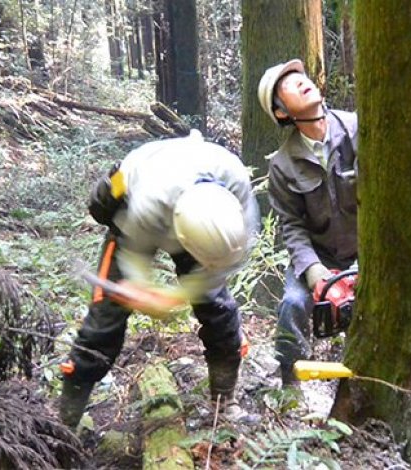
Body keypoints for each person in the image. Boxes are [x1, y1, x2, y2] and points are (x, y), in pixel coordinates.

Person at [58, 130, 260, 429]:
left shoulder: (238, 193)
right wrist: (141, 290)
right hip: (135, 193)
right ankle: (66, 419)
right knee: (106, 318)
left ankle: (224, 404)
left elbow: (224, 264)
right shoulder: (148, 203)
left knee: (219, 312)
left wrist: (180, 295)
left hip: (192, 197)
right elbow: (132, 257)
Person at [257, 59, 358, 387]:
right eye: (288, 85)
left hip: (367, 250)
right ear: (282, 112)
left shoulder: (357, 129)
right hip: (318, 257)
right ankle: (290, 385)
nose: (302, 82)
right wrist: (318, 276)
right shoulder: (283, 166)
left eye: (301, 77)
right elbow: (292, 227)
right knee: (293, 304)